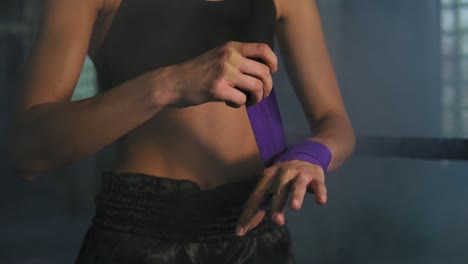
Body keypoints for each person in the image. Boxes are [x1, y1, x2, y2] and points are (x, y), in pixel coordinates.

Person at [9, 0, 355, 263]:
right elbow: (29, 153)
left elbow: (334, 123)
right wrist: (168, 84)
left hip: (257, 230)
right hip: (143, 236)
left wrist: (311, 156)